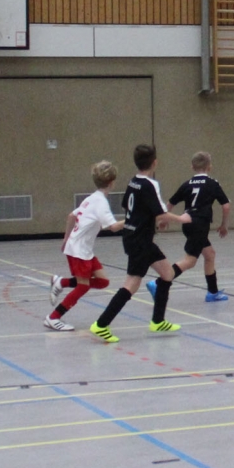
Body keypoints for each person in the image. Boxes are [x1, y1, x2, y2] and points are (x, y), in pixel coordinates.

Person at [89, 145, 191, 343]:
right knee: (131, 284)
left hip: (134, 237)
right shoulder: (150, 184)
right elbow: (161, 213)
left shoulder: (133, 182)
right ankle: (101, 324)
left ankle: (158, 321)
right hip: (140, 241)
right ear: (154, 163)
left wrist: (150, 221)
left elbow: (130, 207)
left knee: (167, 273)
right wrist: (182, 219)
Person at [45, 161, 126, 331]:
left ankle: (61, 282)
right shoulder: (100, 202)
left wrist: (66, 238)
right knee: (83, 286)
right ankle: (53, 317)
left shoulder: (91, 198)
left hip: (82, 248)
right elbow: (113, 227)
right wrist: (134, 219)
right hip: (79, 250)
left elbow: (71, 216)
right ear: (112, 182)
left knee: (102, 281)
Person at [146, 152, 231, 303]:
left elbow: (170, 203)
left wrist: (164, 220)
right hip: (200, 225)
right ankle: (158, 283)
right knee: (190, 261)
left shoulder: (187, 184)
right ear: (209, 167)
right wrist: (224, 225)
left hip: (188, 224)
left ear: (192, 167)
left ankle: (212, 292)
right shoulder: (213, 184)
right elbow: (226, 206)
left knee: (209, 254)